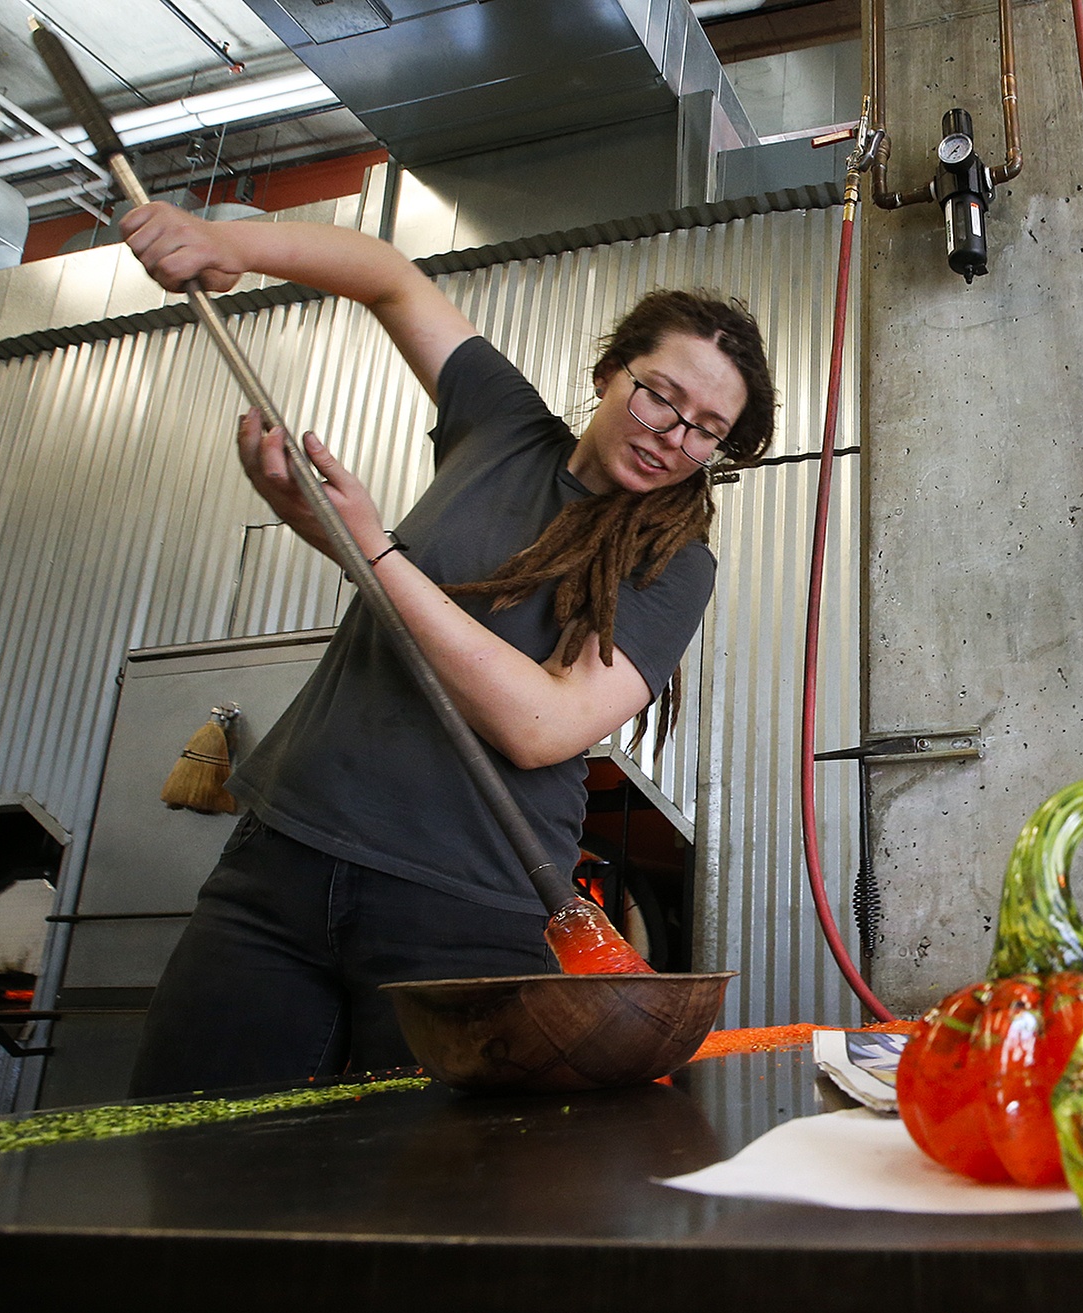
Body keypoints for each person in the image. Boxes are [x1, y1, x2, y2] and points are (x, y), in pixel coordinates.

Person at [121, 202, 774, 1096]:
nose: (674, 436)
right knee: (182, 1146)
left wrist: (369, 552)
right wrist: (231, 243)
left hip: (466, 907)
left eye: (707, 430)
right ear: (611, 369)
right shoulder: (501, 422)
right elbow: (388, 277)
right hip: (283, 857)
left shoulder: (674, 564)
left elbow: (544, 724)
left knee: (430, 1198)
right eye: (661, 395)